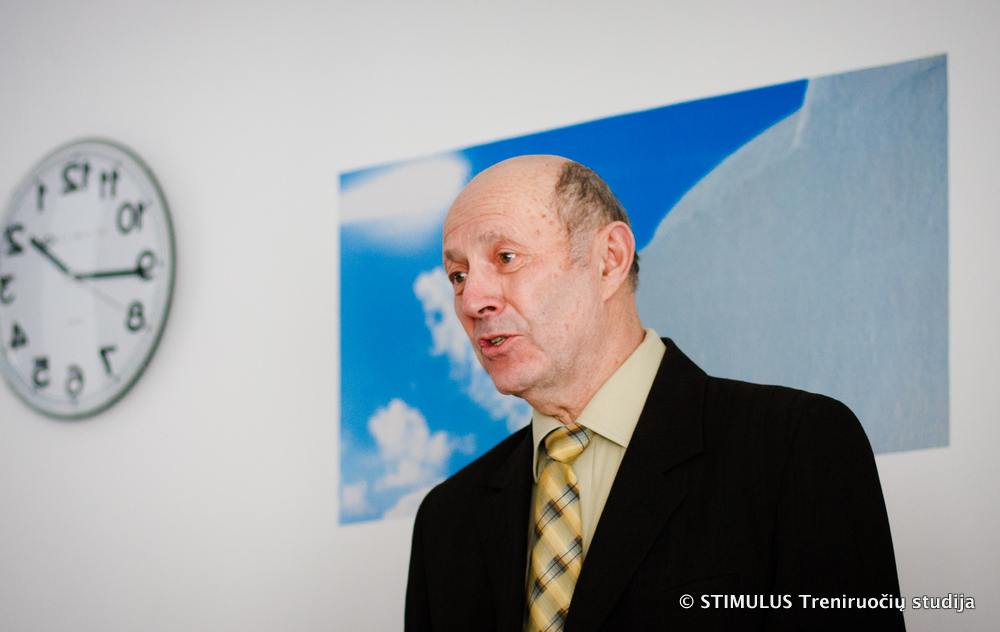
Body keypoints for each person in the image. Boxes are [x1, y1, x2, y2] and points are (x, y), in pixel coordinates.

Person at [405, 155, 904, 631]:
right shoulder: (445, 521)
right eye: (458, 276)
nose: (472, 301)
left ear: (609, 260)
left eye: (506, 257)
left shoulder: (796, 446)